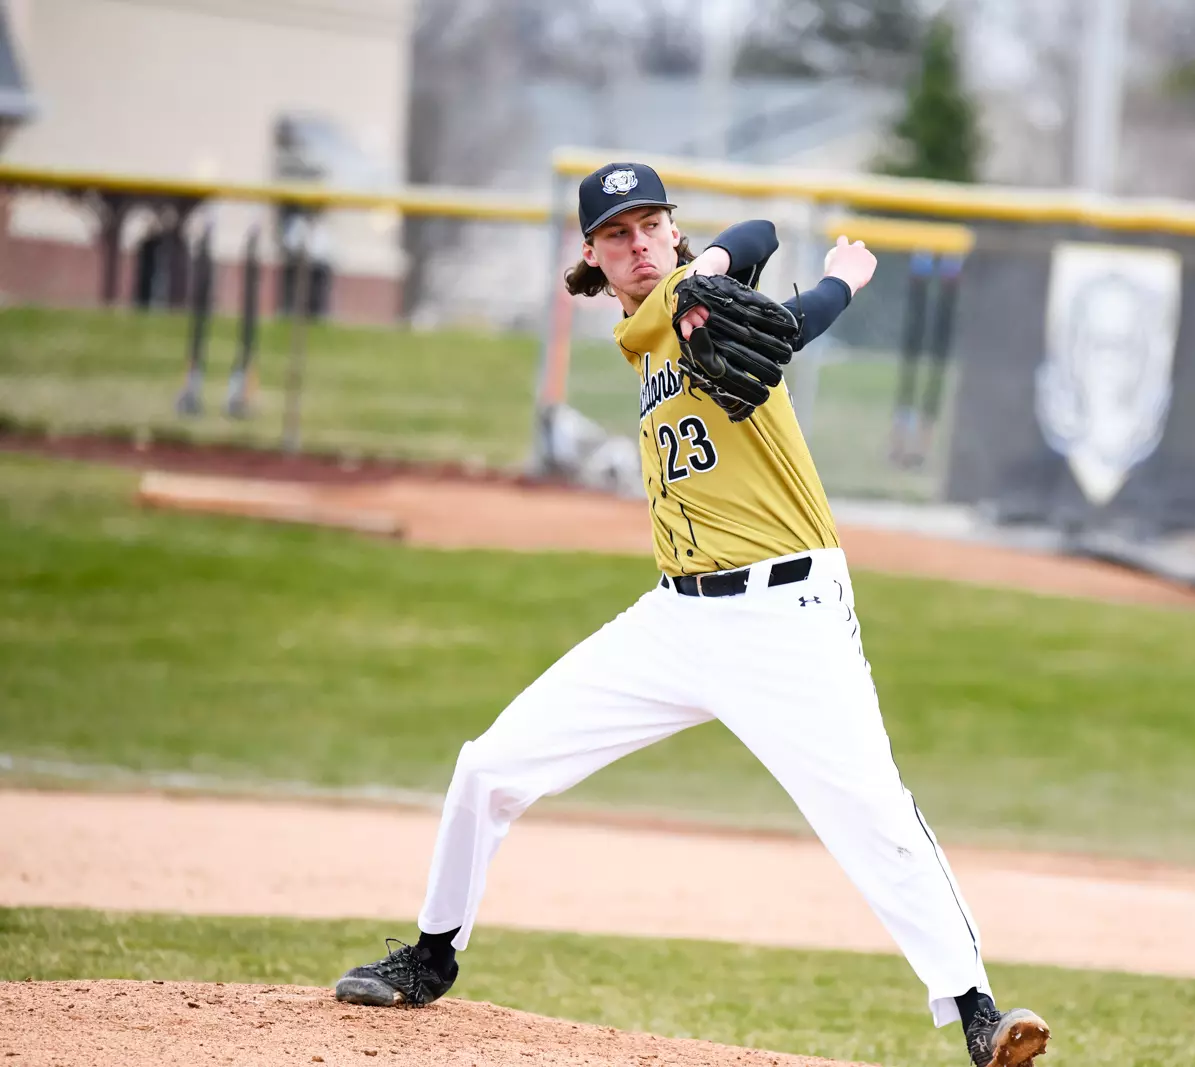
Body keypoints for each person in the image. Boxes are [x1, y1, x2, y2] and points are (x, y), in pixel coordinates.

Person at [333, 162, 1052, 1067]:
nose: (638, 245)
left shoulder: (695, 293)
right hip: (676, 621)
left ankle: (979, 1012)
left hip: (789, 613)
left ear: (673, 230)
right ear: (593, 253)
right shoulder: (651, 329)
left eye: (651, 226)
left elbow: (765, 256)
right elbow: (747, 285)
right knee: (488, 765)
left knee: (873, 811)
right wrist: (740, 278)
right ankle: (432, 954)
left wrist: (799, 277)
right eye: (617, 233)